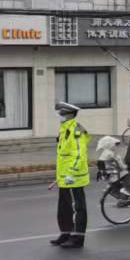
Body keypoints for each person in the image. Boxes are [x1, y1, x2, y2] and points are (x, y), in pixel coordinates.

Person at [49, 102, 91, 249]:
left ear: (68, 114)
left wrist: (71, 174)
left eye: (61, 114)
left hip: (74, 177)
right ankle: (66, 233)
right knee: (64, 207)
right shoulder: (64, 129)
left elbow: (79, 154)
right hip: (64, 177)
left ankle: (78, 237)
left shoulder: (76, 130)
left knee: (78, 207)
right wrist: (60, 176)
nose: (59, 117)